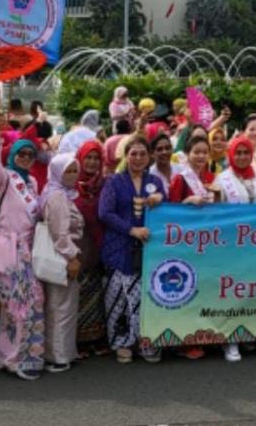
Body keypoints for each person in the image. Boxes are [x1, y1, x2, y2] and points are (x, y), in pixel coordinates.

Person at [0, 135, 46, 380]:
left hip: (26, 250)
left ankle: (20, 354)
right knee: (13, 305)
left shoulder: (31, 182)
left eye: (31, 155)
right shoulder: (4, 178)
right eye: (22, 154)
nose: (26, 159)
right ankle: (12, 358)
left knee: (31, 302)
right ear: (13, 155)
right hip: (5, 249)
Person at [99, 135, 165, 364]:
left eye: (143, 154)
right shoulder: (114, 181)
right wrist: (131, 230)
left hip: (148, 249)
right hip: (119, 248)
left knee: (147, 299)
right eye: (133, 153)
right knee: (119, 300)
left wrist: (160, 198)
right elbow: (105, 213)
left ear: (150, 157)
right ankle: (121, 342)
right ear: (126, 156)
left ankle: (146, 341)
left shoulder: (155, 182)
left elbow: (165, 210)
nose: (138, 158)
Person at [41, 153, 84, 373]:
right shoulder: (57, 197)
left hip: (62, 255)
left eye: (75, 170)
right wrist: (71, 258)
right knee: (61, 307)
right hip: (64, 257)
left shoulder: (57, 192)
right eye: (67, 170)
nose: (72, 175)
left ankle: (64, 352)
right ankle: (58, 356)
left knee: (61, 305)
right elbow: (60, 232)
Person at [72, 139, 108, 357]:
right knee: (79, 292)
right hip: (78, 245)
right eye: (88, 157)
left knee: (97, 292)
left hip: (100, 244)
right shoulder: (71, 183)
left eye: (96, 158)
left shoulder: (105, 184)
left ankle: (97, 337)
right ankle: (79, 340)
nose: (92, 162)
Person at [168, 136, 215, 205]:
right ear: (187, 154)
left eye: (205, 152)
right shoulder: (179, 179)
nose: (201, 156)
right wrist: (188, 200)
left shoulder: (211, 177)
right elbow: (172, 209)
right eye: (196, 152)